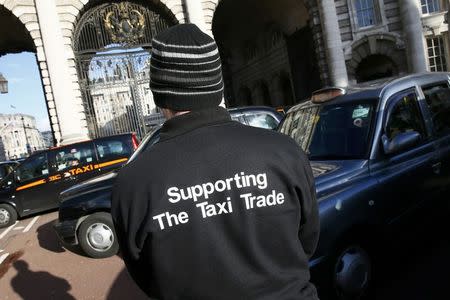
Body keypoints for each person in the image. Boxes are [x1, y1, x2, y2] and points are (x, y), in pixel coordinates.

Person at [112, 23, 320, 300]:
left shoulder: (133, 183)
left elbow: (146, 275)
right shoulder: (284, 151)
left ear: (159, 94)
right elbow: (307, 242)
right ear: (218, 86)